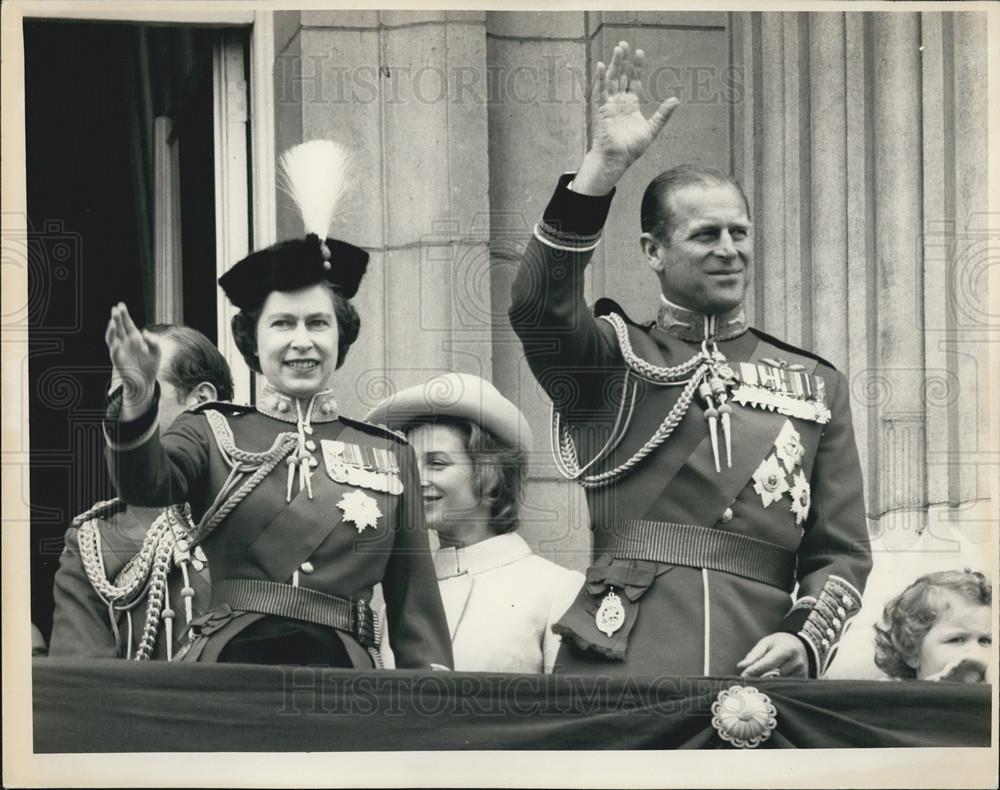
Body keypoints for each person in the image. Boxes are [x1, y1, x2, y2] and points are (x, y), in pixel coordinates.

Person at [509, 42, 872, 678]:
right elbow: (538, 303)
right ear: (653, 250)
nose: (729, 250)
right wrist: (600, 172)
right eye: (706, 235)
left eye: (740, 233)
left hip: (759, 660)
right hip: (623, 654)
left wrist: (806, 639)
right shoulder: (613, 358)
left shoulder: (816, 383)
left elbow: (840, 551)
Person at [102, 140, 452, 669]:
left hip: (345, 675)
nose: (301, 341)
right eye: (282, 324)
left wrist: (430, 706)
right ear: (253, 340)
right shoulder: (209, 432)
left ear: (341, 336)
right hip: (230, 666)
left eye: (317, 323)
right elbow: (145, 484)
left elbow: (415, 611)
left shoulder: (389, 453)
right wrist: (136, 396)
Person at [366, 373, 584, 673]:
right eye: (409, 466)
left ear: (489, 473)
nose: (414, 481)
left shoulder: (557, 589)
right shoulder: (395, 606)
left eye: (437, 463)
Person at [49, 324, 231, 660]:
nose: (123, 410)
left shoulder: (273, 501)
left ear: (202, 401)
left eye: (140, 390)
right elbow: (83, 684)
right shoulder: (97, 541)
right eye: (119, 395)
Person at [874, 569, 992, 683]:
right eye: (957, 639)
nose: (976, 652)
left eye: (986, 641)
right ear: (911, 651)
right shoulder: (891, 692)